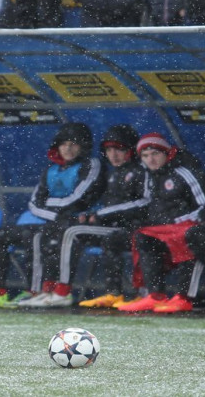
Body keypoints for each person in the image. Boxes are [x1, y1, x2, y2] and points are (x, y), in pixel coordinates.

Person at [0, 122, 106, 309]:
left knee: (35, 236)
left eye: (73, 144)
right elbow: (34, 203)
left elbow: (78, 198)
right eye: (64, 144)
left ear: (83, 146)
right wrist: (58, 215)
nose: (68, 149)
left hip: (77, 225)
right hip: (56, 222)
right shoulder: (51, 170)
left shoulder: (91, 165)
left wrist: (52, 206)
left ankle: (35, 291)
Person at [55, 125, 150, 308]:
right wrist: (89, 214)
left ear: (130, 150)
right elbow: (106, 205)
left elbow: (142, 203)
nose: (113, 155)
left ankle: (62, 292)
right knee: (61, 232)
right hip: (113, 228)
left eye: (119, 149)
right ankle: (112, 294)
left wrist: (100, 214)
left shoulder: (141, 170)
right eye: (109, 150)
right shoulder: (114, 173)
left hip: (131, 228)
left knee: (72, 233)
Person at [119, 133, 205, 313]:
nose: (151, 159)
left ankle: (184, 298)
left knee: (190, 236)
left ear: (166, 153)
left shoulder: (184, 172)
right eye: (145, 156)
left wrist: (179, 222)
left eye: (155, 154)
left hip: (196, 228)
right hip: (170, 229)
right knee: (143, 237)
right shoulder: (152, 176)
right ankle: (155, 296)